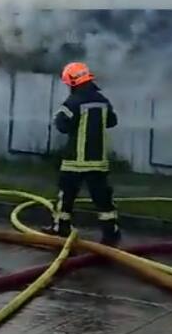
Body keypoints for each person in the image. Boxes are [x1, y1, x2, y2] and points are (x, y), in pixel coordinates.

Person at [46, 62, 121, 246]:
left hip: (75, 161)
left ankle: (61, 228)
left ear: (73, 82)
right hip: (98, 162)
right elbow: (112, 121)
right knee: (103, 199)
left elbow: (62, 126)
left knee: (67, 197)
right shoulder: (103, 101)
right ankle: (110, 234)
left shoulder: (72, 103)